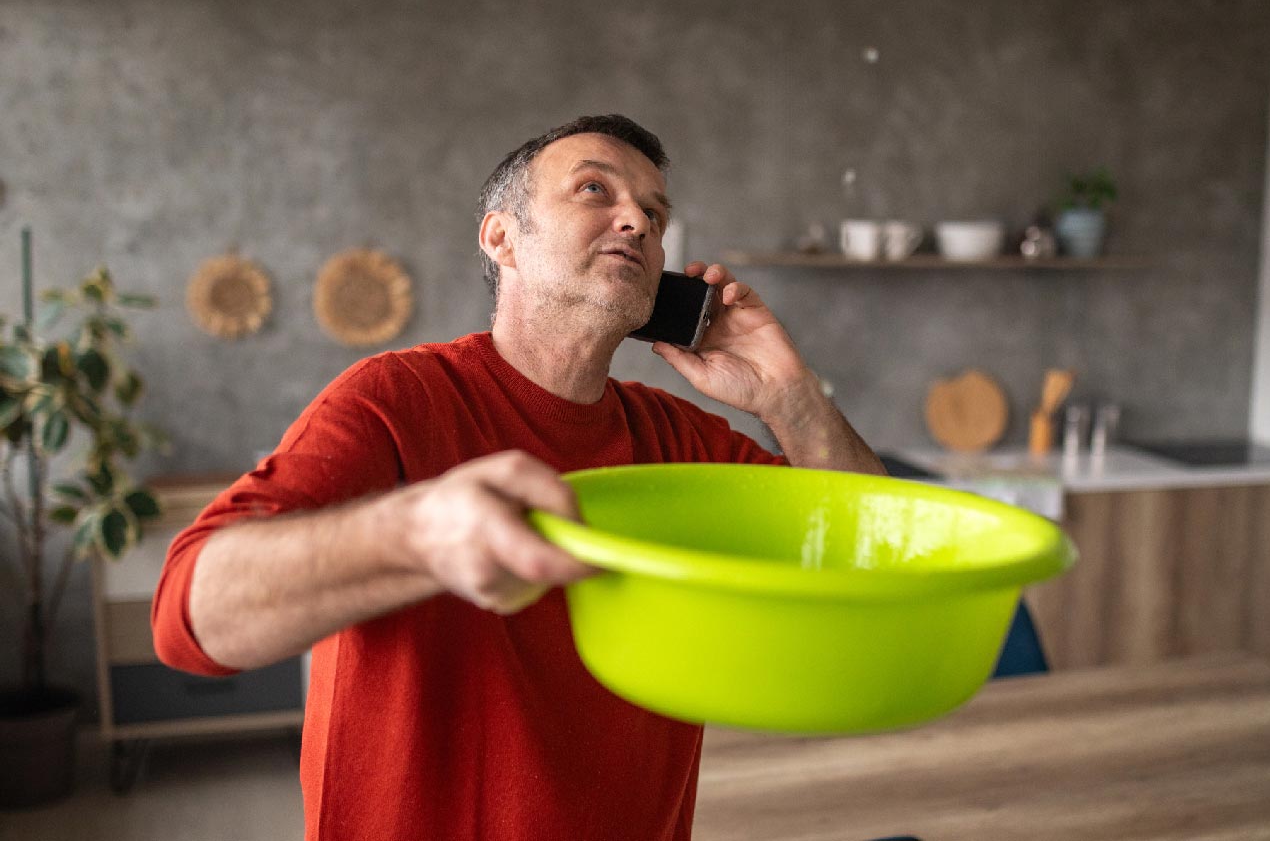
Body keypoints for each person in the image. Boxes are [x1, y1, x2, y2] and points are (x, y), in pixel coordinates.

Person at [151, 114, 884, 840]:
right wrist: (417, 535)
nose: (637, 220)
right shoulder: (394, 400)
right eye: (595, 190)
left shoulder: (680, 438)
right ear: (502, 237)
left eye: (656, 215)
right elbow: (190, 622)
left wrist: (790, 396)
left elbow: (875, 560)